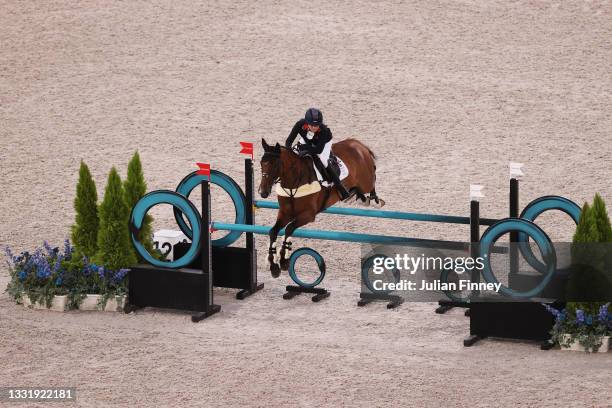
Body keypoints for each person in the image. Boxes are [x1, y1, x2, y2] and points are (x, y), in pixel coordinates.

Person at [285, 108, 350, 200]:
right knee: (296, 152)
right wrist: (290, 153)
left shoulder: (324, 131)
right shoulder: (300, 124)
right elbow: (288, 142)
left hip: (323, 143)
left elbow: (318, 150)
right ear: (307, 123)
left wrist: (306, 149)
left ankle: (340, 187)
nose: (315, 127)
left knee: (323, 160)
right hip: (308, 139)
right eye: (312, 125)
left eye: (317, 125)